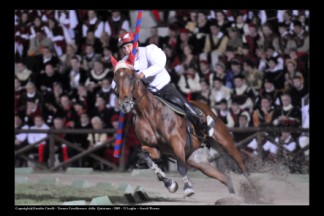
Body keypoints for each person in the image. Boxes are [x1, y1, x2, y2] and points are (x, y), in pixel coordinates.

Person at [112, 31, 213, 135]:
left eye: (128, 46)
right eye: (124, 48)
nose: (126, 50)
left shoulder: (149, 50)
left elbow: (160, 63)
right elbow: (115, 82)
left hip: (161, 86)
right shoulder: (124, 63)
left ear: (136, 44)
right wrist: (119, 90)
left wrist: (144, 73)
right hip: (145, 94)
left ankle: (202, 122)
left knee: (181, 103)